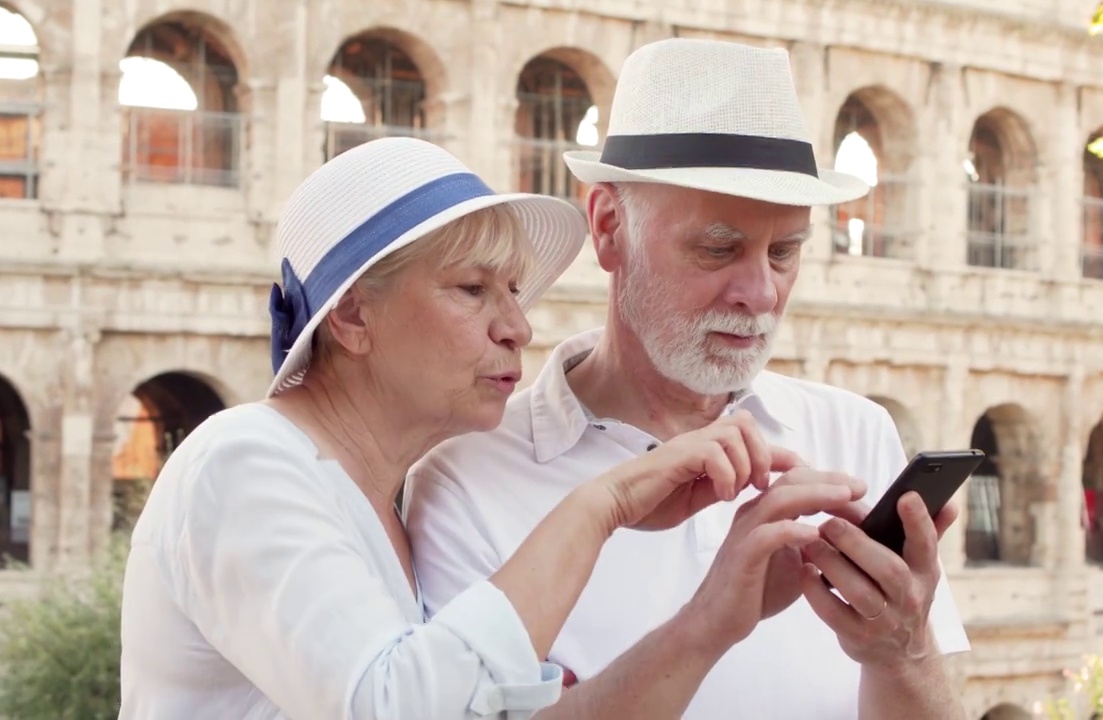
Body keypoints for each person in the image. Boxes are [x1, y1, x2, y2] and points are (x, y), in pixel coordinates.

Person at [116, 137, 852, 720]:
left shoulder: (378, 503)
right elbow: (399, 708)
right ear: (352, 316)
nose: (518, 327)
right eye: (473, 290)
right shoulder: (243, 459)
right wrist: (603, 504)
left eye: (512, 291)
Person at [404, 38, 971, 719]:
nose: (760, 292)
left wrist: (901, 655)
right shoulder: (465, 479)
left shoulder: (856, 432)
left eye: (785, 251)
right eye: (719, 248)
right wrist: (706, 623)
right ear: (609, 226)